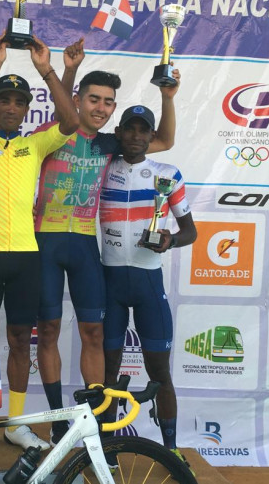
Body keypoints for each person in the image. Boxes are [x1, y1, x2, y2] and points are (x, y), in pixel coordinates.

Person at [34, 38, 181, 445]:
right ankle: (57, 421)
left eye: (108, 102)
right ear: (78, 100)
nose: (100, 107)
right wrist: (61, 72)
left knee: (94, 336)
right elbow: (61, 113)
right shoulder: (53, 132)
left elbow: (164, 141)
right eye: (93, 99)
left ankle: (92, 426)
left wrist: (167, 97)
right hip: (44, 241)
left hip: (84, 245)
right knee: (46, 331)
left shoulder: (111, 144)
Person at [0, 32, 80, 452]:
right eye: (4, 101)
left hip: (26, 256)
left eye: (19, 102)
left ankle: (13, 423)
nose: (11, 108)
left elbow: (71, 123)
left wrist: (50, 70)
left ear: (28, 110)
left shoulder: (35, 144)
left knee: (18, 342)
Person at [99, 104, 197, 466]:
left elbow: (191, 231)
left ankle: (170, 448)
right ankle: (106, 448)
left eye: (144, 131)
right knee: (108, 372)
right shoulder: (102, 169)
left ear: (152, 137)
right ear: (120, 132)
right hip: (109, 281)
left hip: (147, 285)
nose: (137, 136)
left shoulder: (166, 174)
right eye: (131, 129)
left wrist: (169, 239)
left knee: (160, 373)